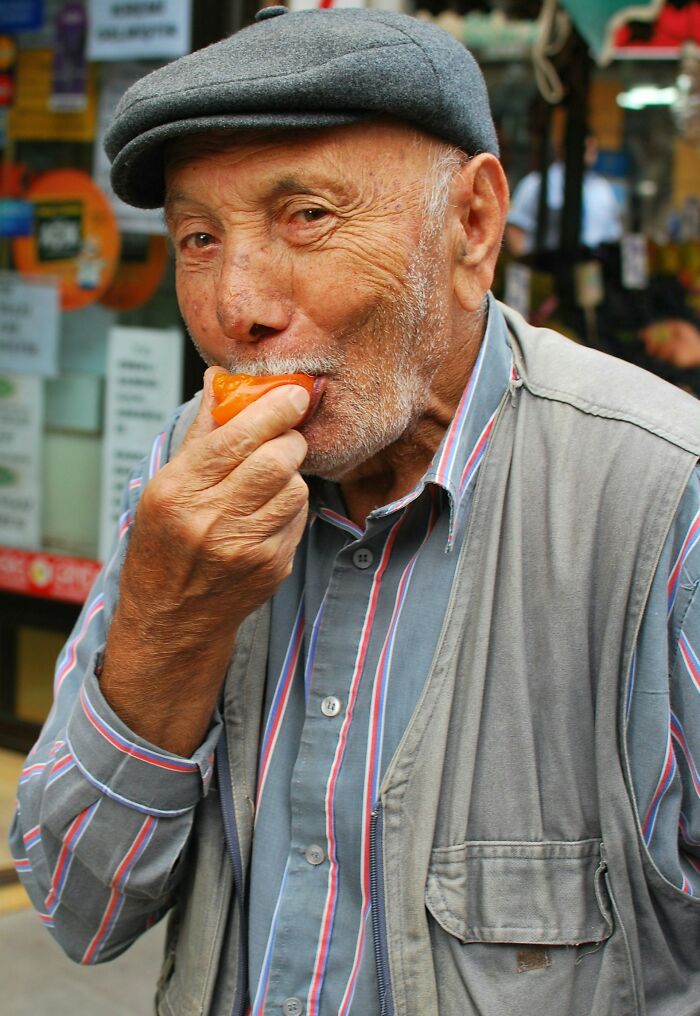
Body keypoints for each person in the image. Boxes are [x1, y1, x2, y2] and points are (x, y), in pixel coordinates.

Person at [10, 9, 700, 1016]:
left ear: (471, 224)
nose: (239, 303)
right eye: (198, 237)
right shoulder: (186, 471)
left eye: (307, 217)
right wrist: (169, 624)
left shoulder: (662, 499)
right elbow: (80, 902)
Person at [505, 133, 623, 256]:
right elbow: (516, 227)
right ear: (564, 149)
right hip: (548, 265)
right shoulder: (537, 183)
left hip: (592, 266)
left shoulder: (603, 189)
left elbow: (612, 234)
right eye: (584, 148)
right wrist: (526, 263)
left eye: (593, 150)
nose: (589, 154)